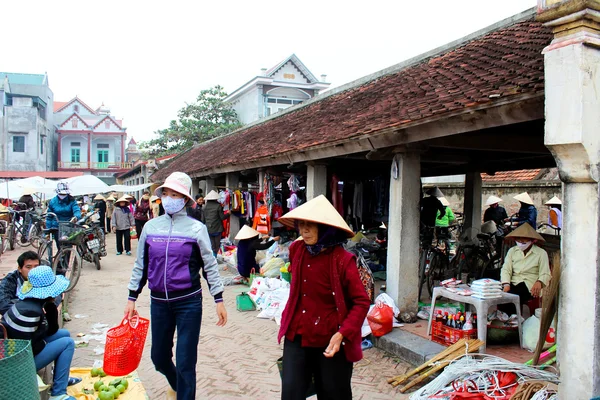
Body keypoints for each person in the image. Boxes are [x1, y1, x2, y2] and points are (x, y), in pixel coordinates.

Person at [124, 172, 227, 400]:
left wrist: (218, 298)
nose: (171, 198)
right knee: (159, 357)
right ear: (161, 197)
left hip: (189, 302)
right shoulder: (151, 228)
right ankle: (177, 386)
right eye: (167, 193)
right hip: (159, 303)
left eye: (176, 194)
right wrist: (132, 297)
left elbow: (209, 265)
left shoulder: (196, 229)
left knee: (185, 361)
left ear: (185, 199)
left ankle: (184, 394)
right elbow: (141, 265)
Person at [277, 195, 370, 400]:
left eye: (311, 225)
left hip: (331, 339)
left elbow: (361, 302)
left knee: (333, 393)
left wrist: (342, 334)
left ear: (326, 228)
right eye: (302, 224)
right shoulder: (296, 250)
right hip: (297, 334)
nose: (304, 230)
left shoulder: (343, 260)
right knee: (291, 392)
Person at [1, 266, 79, 400]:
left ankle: (61, 378)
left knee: (64, 334)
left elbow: (50, 331)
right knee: (67, 343)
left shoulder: (29, 304)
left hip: (27, 348)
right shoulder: (31, 312)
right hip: (20, 363)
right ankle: (58, 393)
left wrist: (51, 308)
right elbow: (33, 346)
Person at [499, 223, 551, 315]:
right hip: (513, 282)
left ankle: (514, 324)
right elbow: (506, 269)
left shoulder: (541, 253)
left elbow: (545, 273)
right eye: (518, 238)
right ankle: (507, 322)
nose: (521, 241)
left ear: (532, 240)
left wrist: (539, 282)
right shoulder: (512, 251)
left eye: (524, 239)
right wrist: (506, 284)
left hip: (529, 285)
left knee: (513, 298)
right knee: (500, 297)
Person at [0, 251, 40, 315]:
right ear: (20, 269)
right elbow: (3, 304)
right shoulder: (11, 280)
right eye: (28, 267)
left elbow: (56, 294)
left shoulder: (43, 277)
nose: (33, 270)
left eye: (36, 267)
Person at [46, 183, 81, 248]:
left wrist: (76, 217)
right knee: (60, 246)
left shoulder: (72, 201)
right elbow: (49, 216)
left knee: (68, 246)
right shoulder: (53, 201)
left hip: (68, 225)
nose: (62, 196)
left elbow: (76, 210)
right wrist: (48, 229)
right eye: (61, 194)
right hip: (56, 227)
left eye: (64, 194)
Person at [203, 190, 229, 255]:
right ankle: (217, 257)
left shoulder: (204, 207)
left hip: (208, 228)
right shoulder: (218, 206)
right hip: (217, 228)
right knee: (217, 245)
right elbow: (222, 217)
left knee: (212, 245)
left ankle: (213, 256)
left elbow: (203, 220)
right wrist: (228, 214)